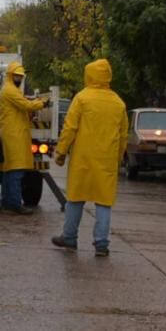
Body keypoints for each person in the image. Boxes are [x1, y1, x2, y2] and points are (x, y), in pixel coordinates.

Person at [51, 58, 128, 256]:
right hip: (106, 161)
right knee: (104, 201)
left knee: (76, 198)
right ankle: (101, 244)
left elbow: (70, 127)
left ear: (89, 75)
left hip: (82, 159)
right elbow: (123, 136)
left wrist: (61, 151)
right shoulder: (118, 103)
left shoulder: (82, 98)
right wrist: (118, 159)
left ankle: (69, 237)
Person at [0, 61, 46, 214]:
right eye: (16, 76)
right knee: (16, 170)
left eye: (20, 76)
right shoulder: (10, 90)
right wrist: (42, 103)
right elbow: (27, 106)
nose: (19, 79)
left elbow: (24, 104)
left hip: (14, 132)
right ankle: (15, 204)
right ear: (10, 76)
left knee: (9, 169)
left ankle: (7, 202)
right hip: (14, 133)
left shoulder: (10, 89)